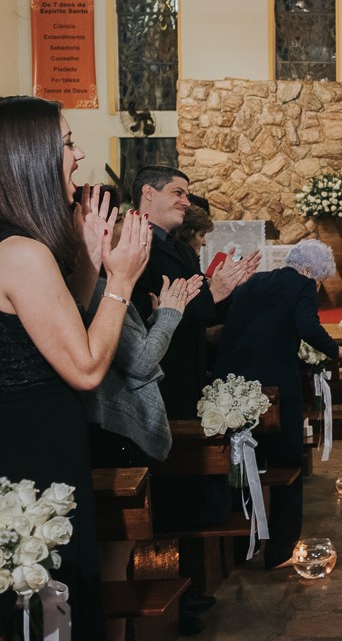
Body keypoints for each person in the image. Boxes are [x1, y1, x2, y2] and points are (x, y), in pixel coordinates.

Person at [0, 96, 153, 641]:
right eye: (66, 143)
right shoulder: (20, 253)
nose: (78, 152)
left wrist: (90, 263)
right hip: (34, 453)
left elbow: (59, 334)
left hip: (27, 442)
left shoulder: (15, 246)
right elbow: (86, 367)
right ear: (28, 158)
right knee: (51, 600)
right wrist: (122, 281)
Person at [213, 240, 342, 568]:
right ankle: (281, 549)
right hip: (274, 388)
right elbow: (307, 326)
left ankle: (240, 549)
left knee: (242, 465)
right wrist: (336, 351)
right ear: (308, 272)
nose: (315, 288)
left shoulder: (256, 280)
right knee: (287, 464)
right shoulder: (302, 283)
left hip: (233, 386)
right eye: (318, 282)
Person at [83, 263, 201, 641]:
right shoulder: (99, 287)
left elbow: (122, 347)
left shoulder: (75, 283)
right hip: (116, 429)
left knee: (110, 556)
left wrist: (149, 319)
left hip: (94, 427)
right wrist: (169, 316)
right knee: (115, 557)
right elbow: (140, 362)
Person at [129, 166, 258, 419]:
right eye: (178, 193)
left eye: (187, 195)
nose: (186, 202)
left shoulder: (183, 249)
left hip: (191, 368)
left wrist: (230, 288)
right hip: (158, 374)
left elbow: (203, 310)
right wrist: (214, 294)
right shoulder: (131, 243)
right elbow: (144, 314)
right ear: (149, 192)